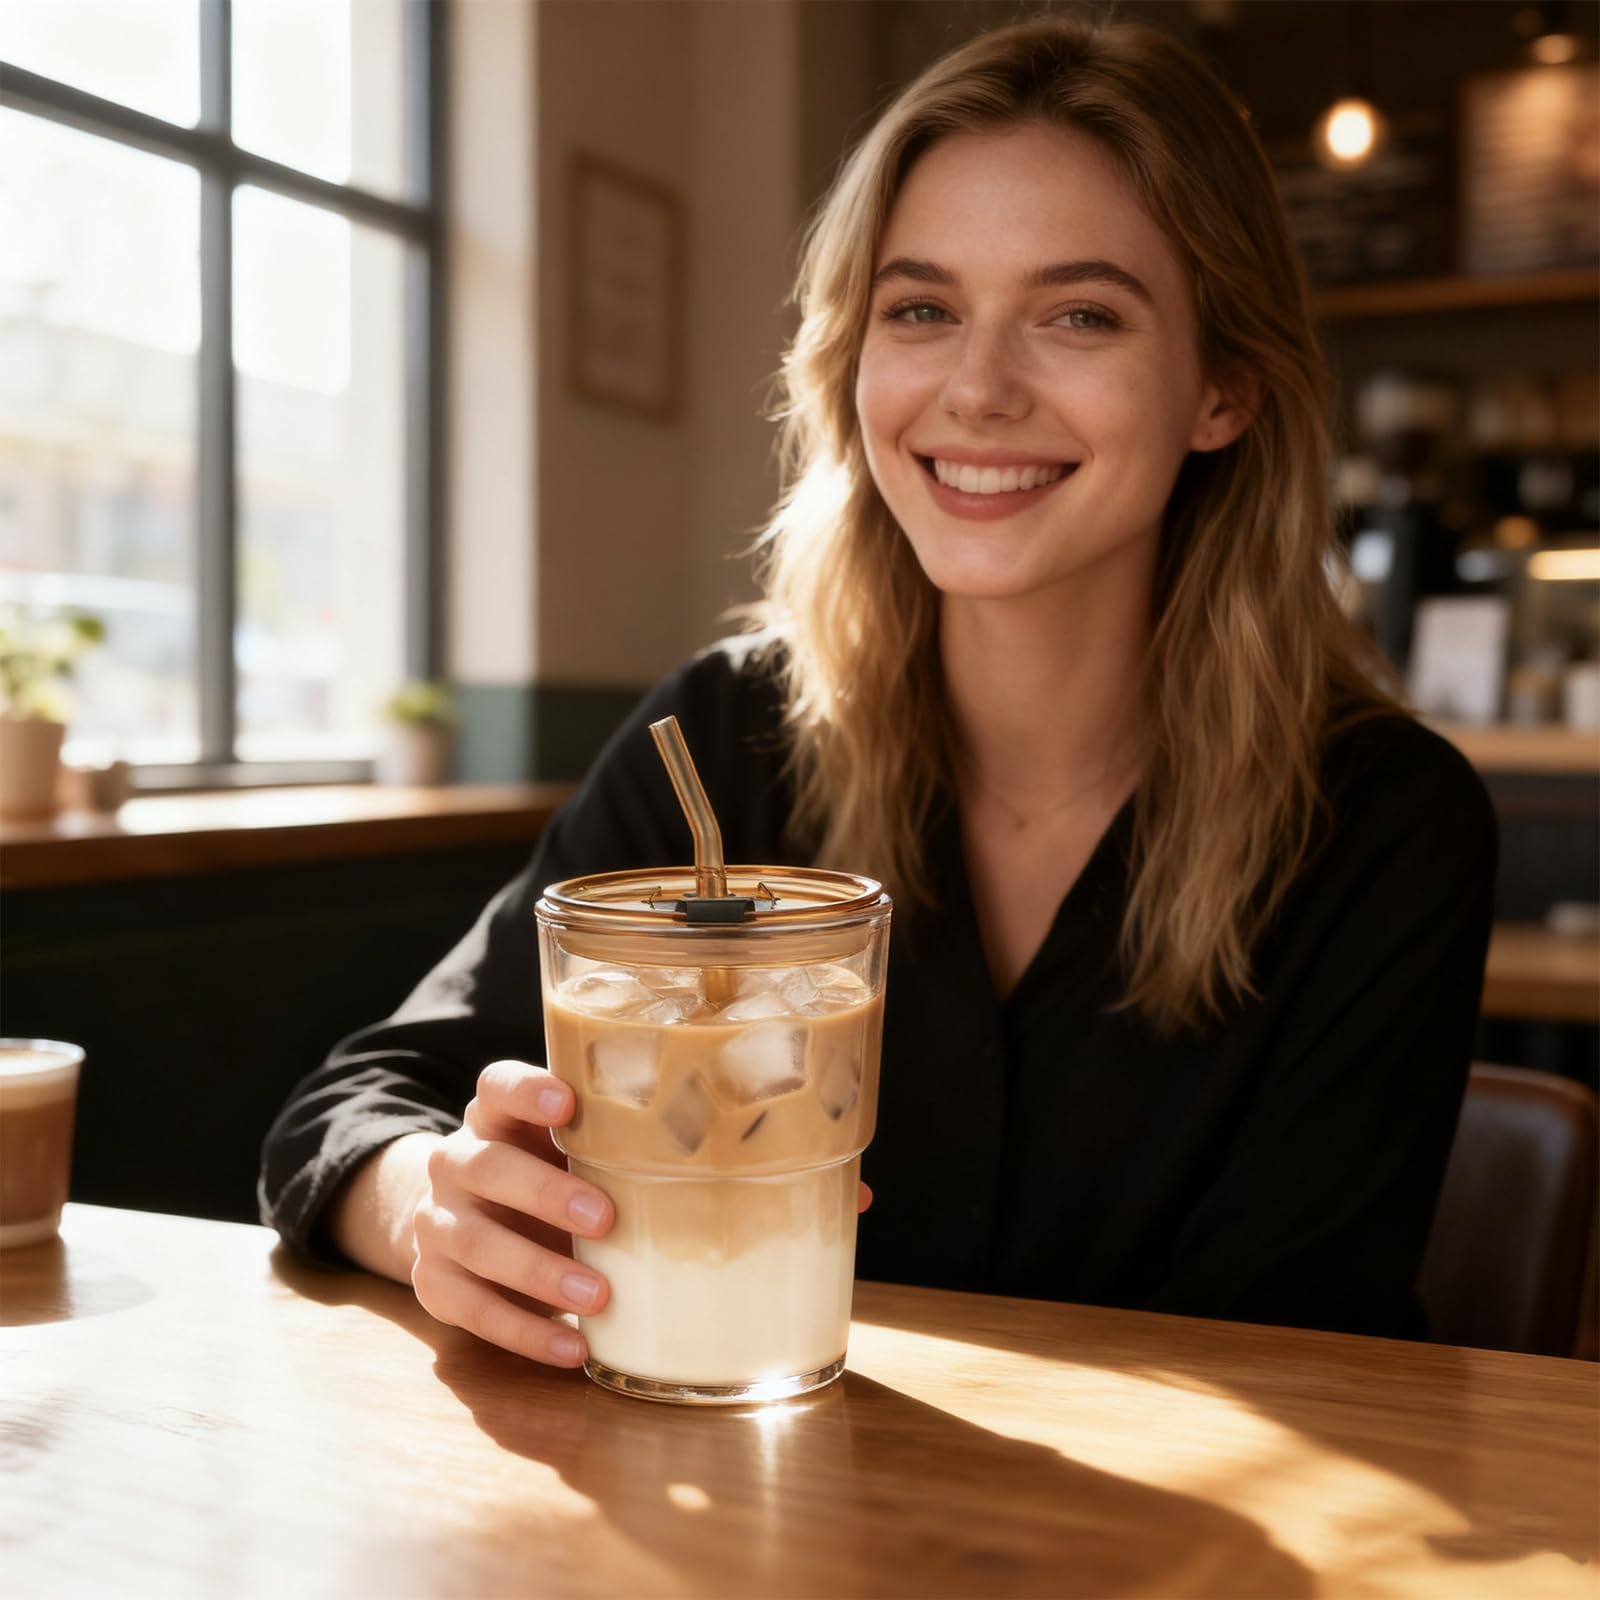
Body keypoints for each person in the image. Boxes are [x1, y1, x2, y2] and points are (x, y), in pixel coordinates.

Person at [260, 12, 1496, 1367]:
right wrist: (431, 1206)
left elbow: (1294, 1366)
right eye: (921, 310)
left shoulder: (1382, 825)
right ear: (851, 363)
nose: (975, 389)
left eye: (1078, 315)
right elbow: (364, 1099)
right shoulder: (724, 735)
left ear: (1224, 385)